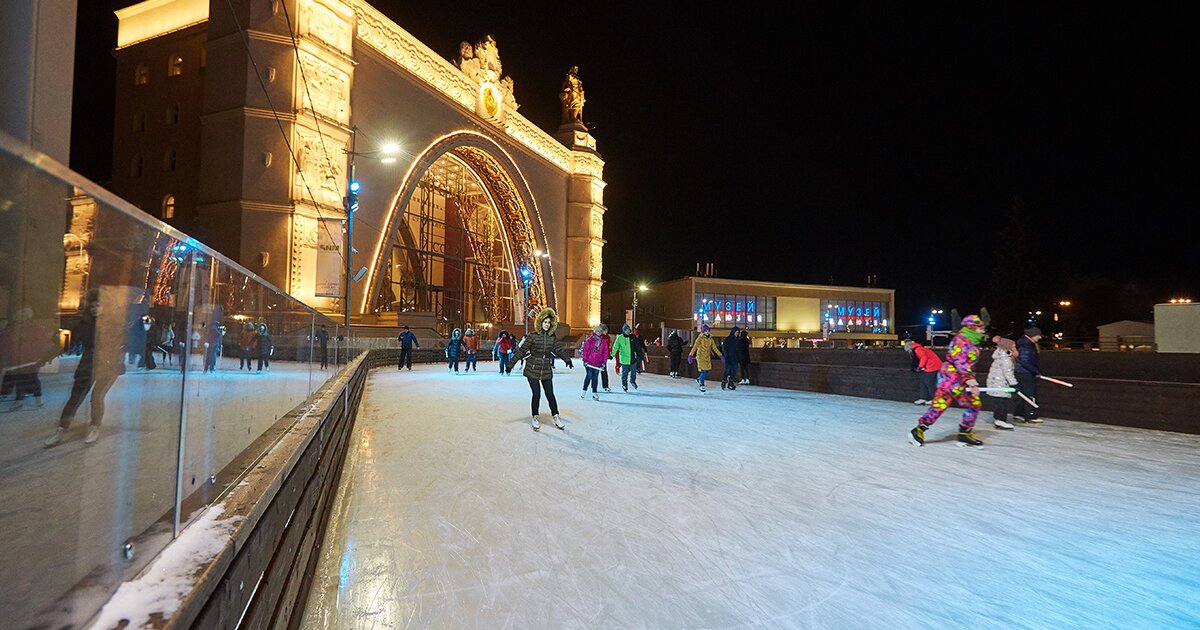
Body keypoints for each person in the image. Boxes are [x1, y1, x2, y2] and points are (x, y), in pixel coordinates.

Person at [46, 289, 124, 447]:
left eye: (98, 305)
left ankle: (94, 427)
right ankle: (61, 429)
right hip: (87, 364)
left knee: (96, 397)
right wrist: (48, 355)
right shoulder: (85, 324)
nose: (95, 309)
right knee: (75, 397)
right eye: (93, 306)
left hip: (107, 366)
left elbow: (120, 345)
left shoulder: (113, 324)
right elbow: (68, 343)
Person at [908, 314, 988, 447]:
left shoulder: (974, 342)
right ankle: (918, 430)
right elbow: (959, 361)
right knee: (940, 405)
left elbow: (968, 364)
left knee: (973, 403)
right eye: (980, 327)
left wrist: (968, 379)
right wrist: (970, 380)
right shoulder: (961, 341)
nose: (983, 330)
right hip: (950, 378)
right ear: (972, 327)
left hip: (961, 378)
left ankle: (964, 434)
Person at [507, 307, 574, 431]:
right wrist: (511, 364)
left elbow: (558, 349)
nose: (547, 325)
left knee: (550, 394)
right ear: (540, 323)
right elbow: (521, 351)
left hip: (546, 368)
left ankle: (556, 416)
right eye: (545, 322)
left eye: (549, 323)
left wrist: (567, 359)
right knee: (536, 393)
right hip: (532, 368)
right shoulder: (532, 337)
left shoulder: (551, 338)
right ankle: (535, 417)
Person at [986, 336, 1019, 430]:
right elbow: (1008, 373)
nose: (1015, 349)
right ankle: (1000, 420)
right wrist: (1014, 384)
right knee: (1001, 403)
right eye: (1013, 347)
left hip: (995, 382)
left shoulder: (1000, 356)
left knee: (998, 402)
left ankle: (998, 419)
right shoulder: (1006, 359)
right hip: (1000, 383)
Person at [1014, 326, 1043, 424]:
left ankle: (1019, 413)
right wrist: (1036, 371)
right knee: (1030, 394)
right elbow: (1025, 361)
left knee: (1023, 393)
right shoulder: (1027, 346)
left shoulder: (1026, 344)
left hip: (1021, 372)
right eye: (1038, 335)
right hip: (1026, 373)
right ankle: (1029, 415)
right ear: (1033, 335)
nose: (1040, 337)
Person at [904, 340, 942, 404]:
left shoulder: (918, 350)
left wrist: (920, 366)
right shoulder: (918, 348)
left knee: (929, 383)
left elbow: (924, 357)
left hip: (933, 366)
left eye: (908, 351)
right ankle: (923, 398)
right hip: (930, 366)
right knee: (923, 382)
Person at [688, 324, 722, 393]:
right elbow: (695, 347)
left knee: (708, 371)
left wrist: (721, 356)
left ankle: (699, 379)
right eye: (706, 331)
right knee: (704, 371)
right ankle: (702, 384)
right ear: (703, 332)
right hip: (700, 356)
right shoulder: (700, 338)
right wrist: (690, 355)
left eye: (708, 331)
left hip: (707, 357)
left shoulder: (711, 339)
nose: (707, 332)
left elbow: (714, 348)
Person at [579, 324, 610, 400]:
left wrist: (604, 362)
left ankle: (594, 392)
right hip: (589, 363)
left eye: (600, 331)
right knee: (589, 376)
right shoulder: (589, 340)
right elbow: (585, 350)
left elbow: (605, 352)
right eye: (597, 331)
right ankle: (584, 390)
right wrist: (585, 360)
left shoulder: (603, 342)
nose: (599, 333)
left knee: (595, 377)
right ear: (594, 332)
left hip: (598, 363)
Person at [610, 324, 638, 391]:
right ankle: (624, 384)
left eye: (628, 330)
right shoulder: (620, 338)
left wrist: (639, 354)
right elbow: (616, 347)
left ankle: (632, 381)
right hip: (624, 359)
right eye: (626, 330)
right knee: (625, 373)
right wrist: (612, 355)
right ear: (623, 331)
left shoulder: (632, 337)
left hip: (633, 358)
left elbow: (637, 346)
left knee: (633, 372)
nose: (627, 331)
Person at [721, 326, 741, 390]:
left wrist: (739, 357)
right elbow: (724, 347)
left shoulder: (738, 340)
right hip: (729, 357)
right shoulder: (728, 339)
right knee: (727, 370)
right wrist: (726, 355)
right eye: (736, 332)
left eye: (738, 332)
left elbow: (739, 349)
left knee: (734, 371)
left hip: (735, 358)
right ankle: (724, 381)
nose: (737, 334)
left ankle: (731, 383)